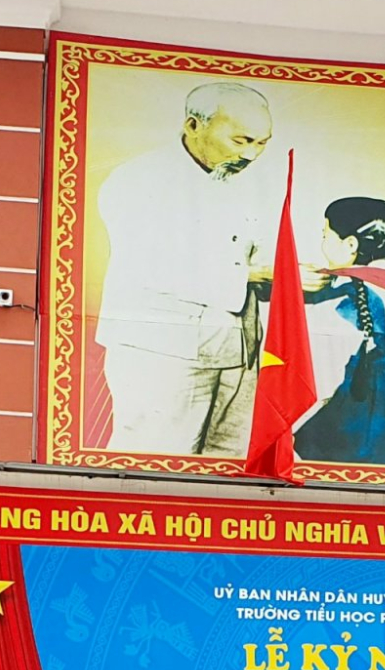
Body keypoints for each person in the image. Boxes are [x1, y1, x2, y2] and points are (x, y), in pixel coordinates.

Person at [97, 80, 277, 458]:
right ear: (193, 125)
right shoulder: (139, 179)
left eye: (262, 143)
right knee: (157, 459)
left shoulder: (246, 182)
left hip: (237, 349)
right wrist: (251, 274)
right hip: (161, 351)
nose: (252, 155)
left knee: (229, 459)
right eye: (241, 140)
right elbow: (151, 266)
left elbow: (260, 250)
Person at [295, 196, 385, 466]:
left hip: (353, 416)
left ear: (350, 244)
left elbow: (326, 378)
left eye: (326, 235)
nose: (323, 243)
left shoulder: (343, 294)